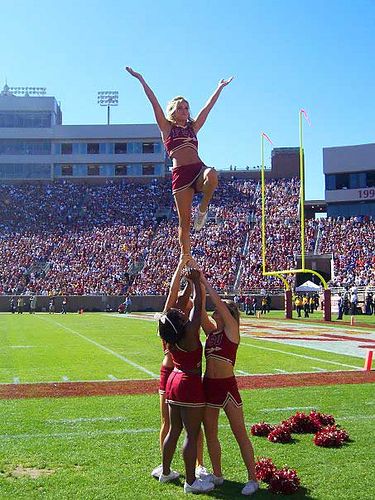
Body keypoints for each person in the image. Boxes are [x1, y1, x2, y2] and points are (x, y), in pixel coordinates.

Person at [125, 66, 233, 257]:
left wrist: (220, 88)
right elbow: (154, 103)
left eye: (186, 108)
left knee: (213, 175)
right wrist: (141, 79)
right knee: (184, 221)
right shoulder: (166, 128)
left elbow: (207, 108)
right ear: (173, 111)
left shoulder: (193, 127)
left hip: (198, 169)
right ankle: (186, 256)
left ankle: (203, 208)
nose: (184, 110)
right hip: (180, 175)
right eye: (180, 108)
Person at [198, 268, 259, 496]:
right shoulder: (212, 333)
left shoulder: (232, 331)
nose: (217, 309)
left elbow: (218, 304)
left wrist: (205, 280)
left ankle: (252, 479)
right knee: (211, 432)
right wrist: (197, 286)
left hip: (227, 387)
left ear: (228, 313)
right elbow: (200, 311)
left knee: (239, 432)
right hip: (209, 387)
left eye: (221, 307)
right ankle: (218, 474)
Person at [157, 265, 214, 494]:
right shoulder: (189, 332)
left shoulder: (172, 335)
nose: (181, 312)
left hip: (173, 381)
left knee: (174, 430)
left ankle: (166, 471)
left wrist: (188, 284)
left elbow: (178, 308)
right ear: (180, 322)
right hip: (189, 382)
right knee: (191, 433)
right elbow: (198, 306)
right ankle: (191, 481)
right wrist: (198, 283)